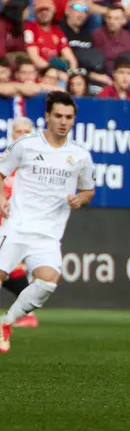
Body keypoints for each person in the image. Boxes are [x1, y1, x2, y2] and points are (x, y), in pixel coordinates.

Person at [0, 92, 96, 353]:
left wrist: (80, 199)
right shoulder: (26, 145)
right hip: (16, 226)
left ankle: (6, 323)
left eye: (68, 117)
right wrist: (1, 198)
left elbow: (88, 190)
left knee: (48, 281)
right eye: (58, 116)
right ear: (47, 117)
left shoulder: (79, 155)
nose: (63, 122)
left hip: (48, 234)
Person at [0, 117, 37, 328]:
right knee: (10, 270)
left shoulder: (39, 166)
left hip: (19, 227)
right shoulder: (3, 162)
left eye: (26, 132)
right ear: (11, 135)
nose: (22, 136)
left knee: (10, 269)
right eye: (18, 132)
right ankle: (27, 314)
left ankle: (27, 313)